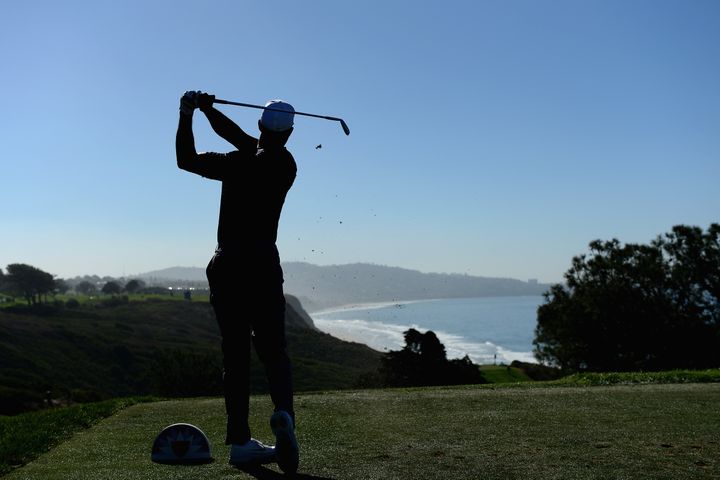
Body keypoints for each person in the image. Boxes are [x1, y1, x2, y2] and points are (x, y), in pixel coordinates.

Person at [175, 90, 299, 473]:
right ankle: (283, 413)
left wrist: (189, 112)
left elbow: (186, 160)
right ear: (290, 134)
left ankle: (241, 442)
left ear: (260, 126)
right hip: (263, 264)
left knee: (236, 355)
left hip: (228, 265)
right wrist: (209, 109)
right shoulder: (285, 165)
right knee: (273, 350)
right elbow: (244, 139)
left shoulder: (235, 164)